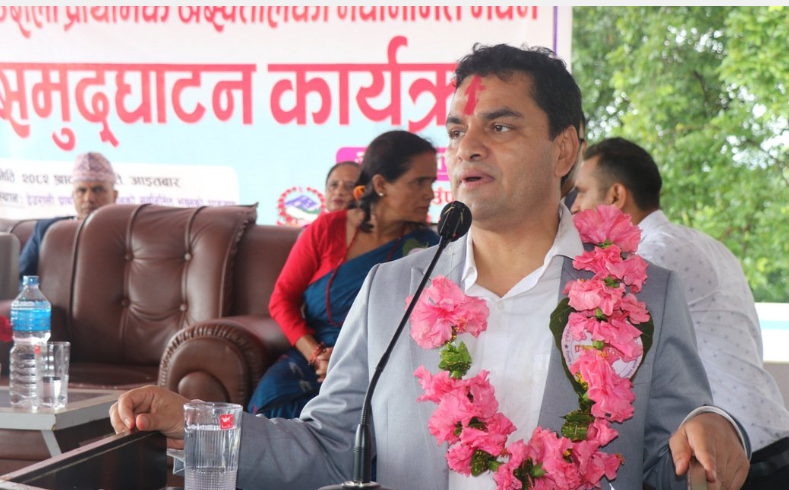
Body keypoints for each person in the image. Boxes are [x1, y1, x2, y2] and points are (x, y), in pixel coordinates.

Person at [111, 45, 750, 490]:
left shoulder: (643, 297)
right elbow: (327, 448)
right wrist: (193, 423)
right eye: (457, 130)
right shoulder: (392, 292)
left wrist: (717, 433)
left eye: (500, 127)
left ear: (563, 151)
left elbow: (678, 458)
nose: (467, 147)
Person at [571, 136, 789, 490]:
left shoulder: (647, 261)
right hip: (767, 439)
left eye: (581, 192)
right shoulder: (703, 243)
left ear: (616, 195)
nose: (575, 207)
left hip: (726, 460)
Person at [246, 130, 440, 418]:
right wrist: (317, 355)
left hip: (380, 367)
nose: (431, 194)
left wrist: (350, 363)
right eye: (419, 182)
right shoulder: (327, 229)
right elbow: (282, 300)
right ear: (381, 184)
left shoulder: (427, 247)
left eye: (432, 182)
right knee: (271, 408)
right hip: (314, 359)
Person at [19, 152, 118, 279]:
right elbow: (20, 279)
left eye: (97, 190)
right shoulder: (46, 229)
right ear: (73, 195)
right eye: (81, 190)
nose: (89, 198)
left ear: (114, 195)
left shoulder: (126, 233)